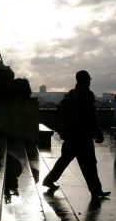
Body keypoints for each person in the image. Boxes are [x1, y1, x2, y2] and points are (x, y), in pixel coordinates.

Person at [43, 70, 110, 200]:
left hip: (70, 135)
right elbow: (91, 116)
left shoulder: (71, 94)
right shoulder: (87, 95)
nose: (90, 82)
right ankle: (96, 190)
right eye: (89, 80)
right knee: (90, 164)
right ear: (87, 80)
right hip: (83, 135)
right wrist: (98, 132)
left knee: (64, 160)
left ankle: (49, 180)